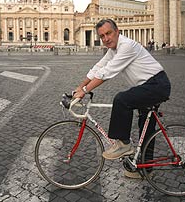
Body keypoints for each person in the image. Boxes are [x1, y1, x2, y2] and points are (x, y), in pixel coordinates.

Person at [73, 19, 171, 178]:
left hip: (157, 85)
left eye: (108, 33)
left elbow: (107, 73)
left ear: (117, 31)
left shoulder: (127, 46)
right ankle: (144, 168)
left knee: (121, 100)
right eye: (102, 36)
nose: (105, 38)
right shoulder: (114, 49)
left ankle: (123, 143)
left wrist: (85, 90)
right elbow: (99, 67)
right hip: (147, 86)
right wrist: (80, 86)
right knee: (145, 128)